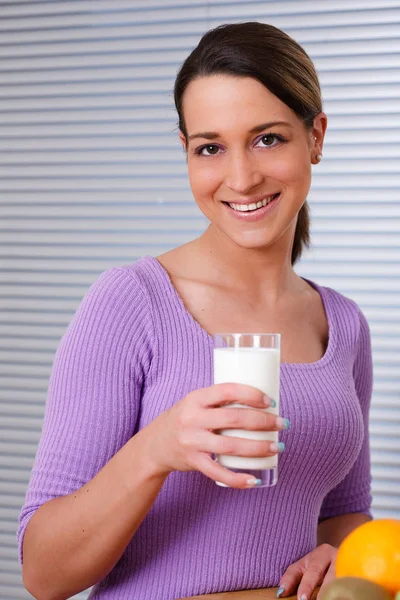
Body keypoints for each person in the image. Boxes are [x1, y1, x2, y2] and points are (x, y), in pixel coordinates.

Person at [18, 22, 373, 600]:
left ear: (316, 137)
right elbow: (44, 574)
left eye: (268, 139)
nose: (241, 177)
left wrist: (341, 554)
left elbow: (345, 515)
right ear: (185, 151)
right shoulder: (131, 303)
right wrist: (156, 450)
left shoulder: (342, 324)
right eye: (210, 147)